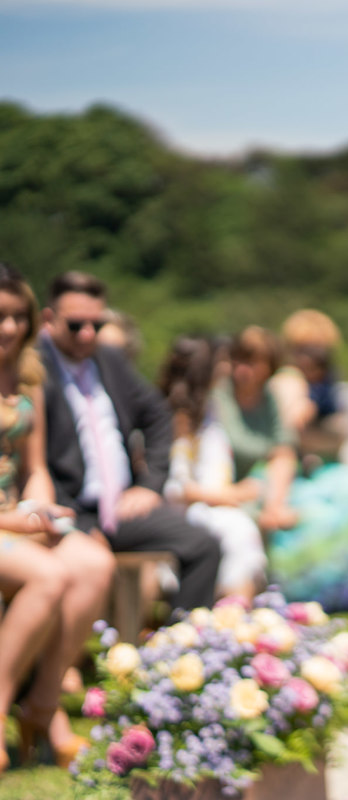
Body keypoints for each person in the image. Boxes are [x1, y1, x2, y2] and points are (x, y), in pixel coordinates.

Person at [37, 271, 221, 613]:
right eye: (77, 325)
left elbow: (157, 416)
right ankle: (72, 661)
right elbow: (35, 460)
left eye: (98, 324)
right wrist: (71, 522)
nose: (88, 334)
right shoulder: (34, 367)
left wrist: (150, 485)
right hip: (68, 508)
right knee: (88, 564)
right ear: (49, 319)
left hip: (122, 507)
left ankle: (180, 652)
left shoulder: (109, 359)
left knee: (202, 545)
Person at [0, 263, 111, 772]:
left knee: (93, 563)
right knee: (48, 575)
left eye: (18, 316)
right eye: (0, 317)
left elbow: (36, 466)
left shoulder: (28, 374)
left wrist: (37, 508)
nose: (9, 328)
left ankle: (42, 709)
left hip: (15, 514)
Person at [214, 326, 348, 611]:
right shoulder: (219, 397)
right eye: (239, 360)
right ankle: (240, 612)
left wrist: (273, 502)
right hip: (229, 489)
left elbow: (283, 450)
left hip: (265, 484)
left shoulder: (271, 396)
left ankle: (330, 594)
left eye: (253, 362)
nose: (244, 370)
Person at [158, 335, 267, 601]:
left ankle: (231, 618)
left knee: (241, 526)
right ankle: (228, 615)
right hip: (185, 510)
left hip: (212, 503)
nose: (229, 369)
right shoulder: (176, 417)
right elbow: (175, 485)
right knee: (238, 531)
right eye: (222, 363)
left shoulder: (210, 409)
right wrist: (226, 496)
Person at [272, 308, 348, 468]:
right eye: (303, 350)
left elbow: (330, 404)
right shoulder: (287, 376)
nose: (309, 358)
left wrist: (311, 403)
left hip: (321, 437)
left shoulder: (327, 375)